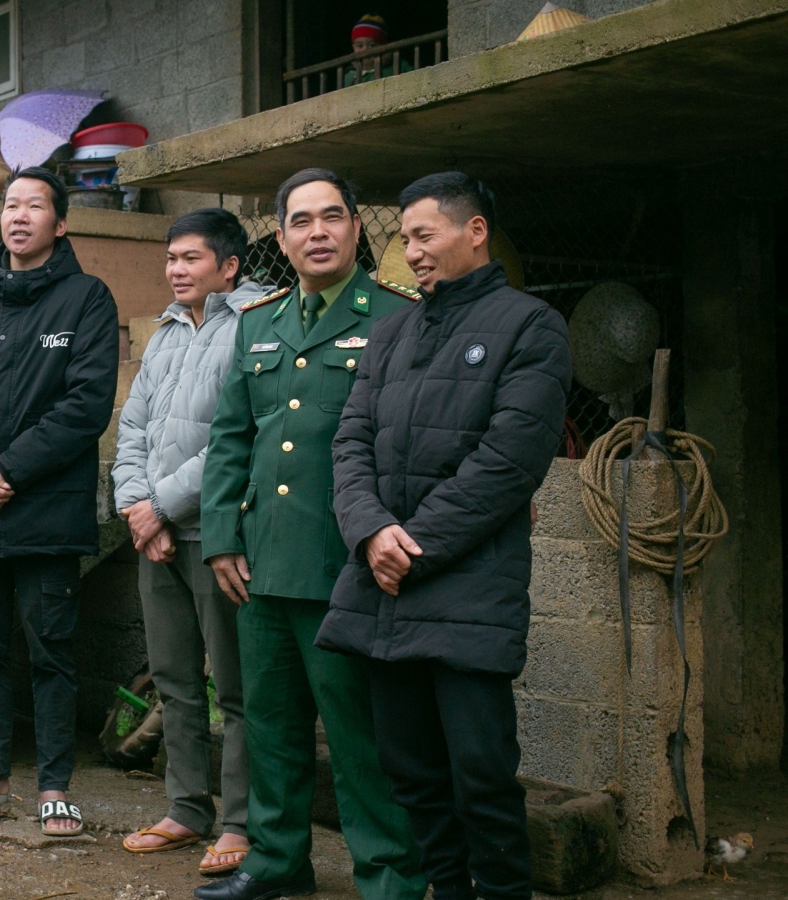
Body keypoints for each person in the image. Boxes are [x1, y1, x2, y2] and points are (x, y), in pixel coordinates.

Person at [317, 172, 571, 900]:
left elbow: (509, 462)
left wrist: (408, 547)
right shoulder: (394, 330)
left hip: (467, 593)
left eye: (424, 236)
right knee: (412, 776)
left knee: (482, 779)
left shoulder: (531, 326)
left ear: (476, 232)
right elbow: (350, 441)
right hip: (386, 589)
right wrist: (370, 533)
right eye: (404, 238)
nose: (411, 252)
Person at [196, 169, 426, 900]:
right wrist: (222, 536)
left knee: (361, 738)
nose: (317, 232)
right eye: (301, 221)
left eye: (332, 217)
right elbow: (231, 437)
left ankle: (389, 875)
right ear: (283, 238)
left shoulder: (396, 317)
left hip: (348, 567)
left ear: (359, 229)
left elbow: (407, 448)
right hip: (262, 564)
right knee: (271, 728)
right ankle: (276, 862)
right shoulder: (257, 322)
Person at [0, 167, 120, 837]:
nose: (20, 215)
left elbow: (87, 403)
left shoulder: (86, 300)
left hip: (45, 509)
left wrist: (8, 469)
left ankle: (56, 782)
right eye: (11, 204)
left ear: (59, 223)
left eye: (35, 205)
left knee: (51, 648)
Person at [111, 209, 262, 875]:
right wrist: (135, 507)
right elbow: (133, 427)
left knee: (236, 687)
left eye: (190, 258)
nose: (175, 269)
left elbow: (240, 438)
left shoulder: (257, 325)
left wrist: (160, 508)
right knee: (174, 678)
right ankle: (185, 808)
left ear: (228, 266)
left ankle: (238, 821)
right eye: (171, 258)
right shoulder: (167, 332)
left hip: (219, 534)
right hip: (159, 536)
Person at [343, 15, 413, 87]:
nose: (365, 49)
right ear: (353, 47)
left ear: (383, 46)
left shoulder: (399, 67)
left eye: (372, 45)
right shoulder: (349, 76)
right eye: (360, 46)